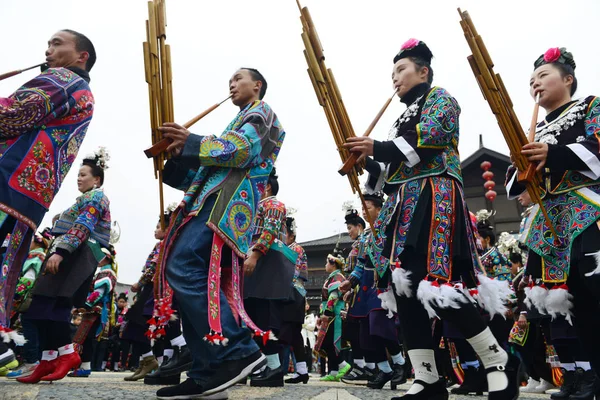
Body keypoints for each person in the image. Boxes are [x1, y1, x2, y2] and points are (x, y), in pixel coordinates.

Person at [344, 38, 519, 400]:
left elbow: (431, 137)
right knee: (404, 286)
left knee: (435, 284)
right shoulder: (398, 121)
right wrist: (368, 160)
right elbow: (388, 169)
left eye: (401, 70)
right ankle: (428, 377)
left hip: (433, 197)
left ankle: (496, 358)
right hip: (402, 207)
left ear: (423, 71)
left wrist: (376, 147)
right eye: (392, 73)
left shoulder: (441, 98)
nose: (395, 79)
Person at [154, 68, 285, 399]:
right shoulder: (233, 123)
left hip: (226, 206)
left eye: (238, 78)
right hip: (208, 202)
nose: (231, 83)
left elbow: (243, 150)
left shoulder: (262, 112)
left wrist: (193, 142)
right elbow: (201, 176)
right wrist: (174, 159)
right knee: (190, 278)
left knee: (183, 266)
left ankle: (238, 350)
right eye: (230, 79)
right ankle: (207, 371)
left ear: (257, 86)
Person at [507, 46, 600, 399]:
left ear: (568, 79)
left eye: (543, 75)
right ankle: (578, 376)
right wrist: (522, 162)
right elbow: (514, 184)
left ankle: (594, 374)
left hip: (589, 209)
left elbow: (599, 146)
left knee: (593, 294)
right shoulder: (535, 129)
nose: (536, 83)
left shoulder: (591, 106)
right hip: (551, 224)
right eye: (532, 80)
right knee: (560, 303)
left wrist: (553, 154)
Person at [0, 30, 96, 364]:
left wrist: (62, 249)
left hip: (7, 178)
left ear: (81, 56)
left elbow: (13, 114)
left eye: (57, 43)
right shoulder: (79, 90)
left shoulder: (63, 79)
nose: (48, 49)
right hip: (26, 192)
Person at [17, 150, 111, 384]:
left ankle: (68, 354)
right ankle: (48, 360)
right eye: (78, 175)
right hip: (68, 252)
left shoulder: (97, 197)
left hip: (76, 254)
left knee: (56, 306)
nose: (79, 178)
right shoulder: (82, 200)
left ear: (96, 179)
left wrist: (60, 252)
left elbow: (84, 225)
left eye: (83, 175)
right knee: (39, 306)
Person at [341, 192, 408, 390]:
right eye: (363, 208)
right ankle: (385, 369)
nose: (365, 211)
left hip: (383, 284)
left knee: (380, 325)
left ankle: (401, 364)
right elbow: (360, 264)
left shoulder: (390, 230)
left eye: (368, 207)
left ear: (380, 209)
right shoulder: (366, 238)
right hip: (365, 287)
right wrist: (350, 282)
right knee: (367, 333)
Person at [243, 169, 294, 387]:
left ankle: (273, 368)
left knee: (263, 318)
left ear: (268, 186)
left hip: (265, 263)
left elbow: (270, 230)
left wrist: (254, 255)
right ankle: (264, 366)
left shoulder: (273, 204)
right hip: (256, 265)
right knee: (253, 317)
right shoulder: (258, 206)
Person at [281, 215, 310, 384]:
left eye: (283, 232)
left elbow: (292, 273)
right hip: (294, 293)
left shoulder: (295, 249)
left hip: (292, 293)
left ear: (291, 235)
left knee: (284, 331)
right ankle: (302, 371)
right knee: (294, 335)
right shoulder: (290, 248)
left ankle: (275, 368)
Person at [315, 252, 350, 382]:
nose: (325, 265)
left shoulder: (337, 277)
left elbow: (333, 296)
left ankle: (343, 365)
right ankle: (334, 372)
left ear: (332, 263)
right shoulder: (333, 277)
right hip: (330, 313)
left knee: (330, 341)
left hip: (334, 314)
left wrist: (327, 313)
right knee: (328, 343)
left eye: (326, 262)